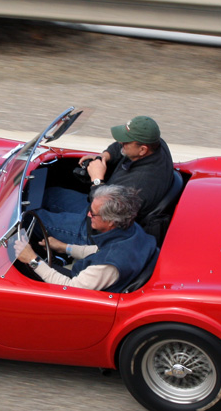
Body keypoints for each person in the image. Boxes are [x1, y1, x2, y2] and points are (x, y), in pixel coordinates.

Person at [42, 115, 175, 243]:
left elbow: (104, 210)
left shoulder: (139, 185)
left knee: (32, 217)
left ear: (142, 150)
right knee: (48, 195)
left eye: (126, 142)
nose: (121, 142)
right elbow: (119, 147)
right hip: (97, 209)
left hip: (98, 230)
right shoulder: (154, 143)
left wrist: (97, 179)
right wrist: (104, 156)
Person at [14, 185, 157, 293]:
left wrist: (32, 260)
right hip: (87, 274)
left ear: (111, 221)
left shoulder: (107, 267)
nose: (88, 215)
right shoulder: (132, 230)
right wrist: (64, 247)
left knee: (19, 268)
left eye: (93, 214)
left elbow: (71, 288)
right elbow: (99, 250)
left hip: (75, 286)